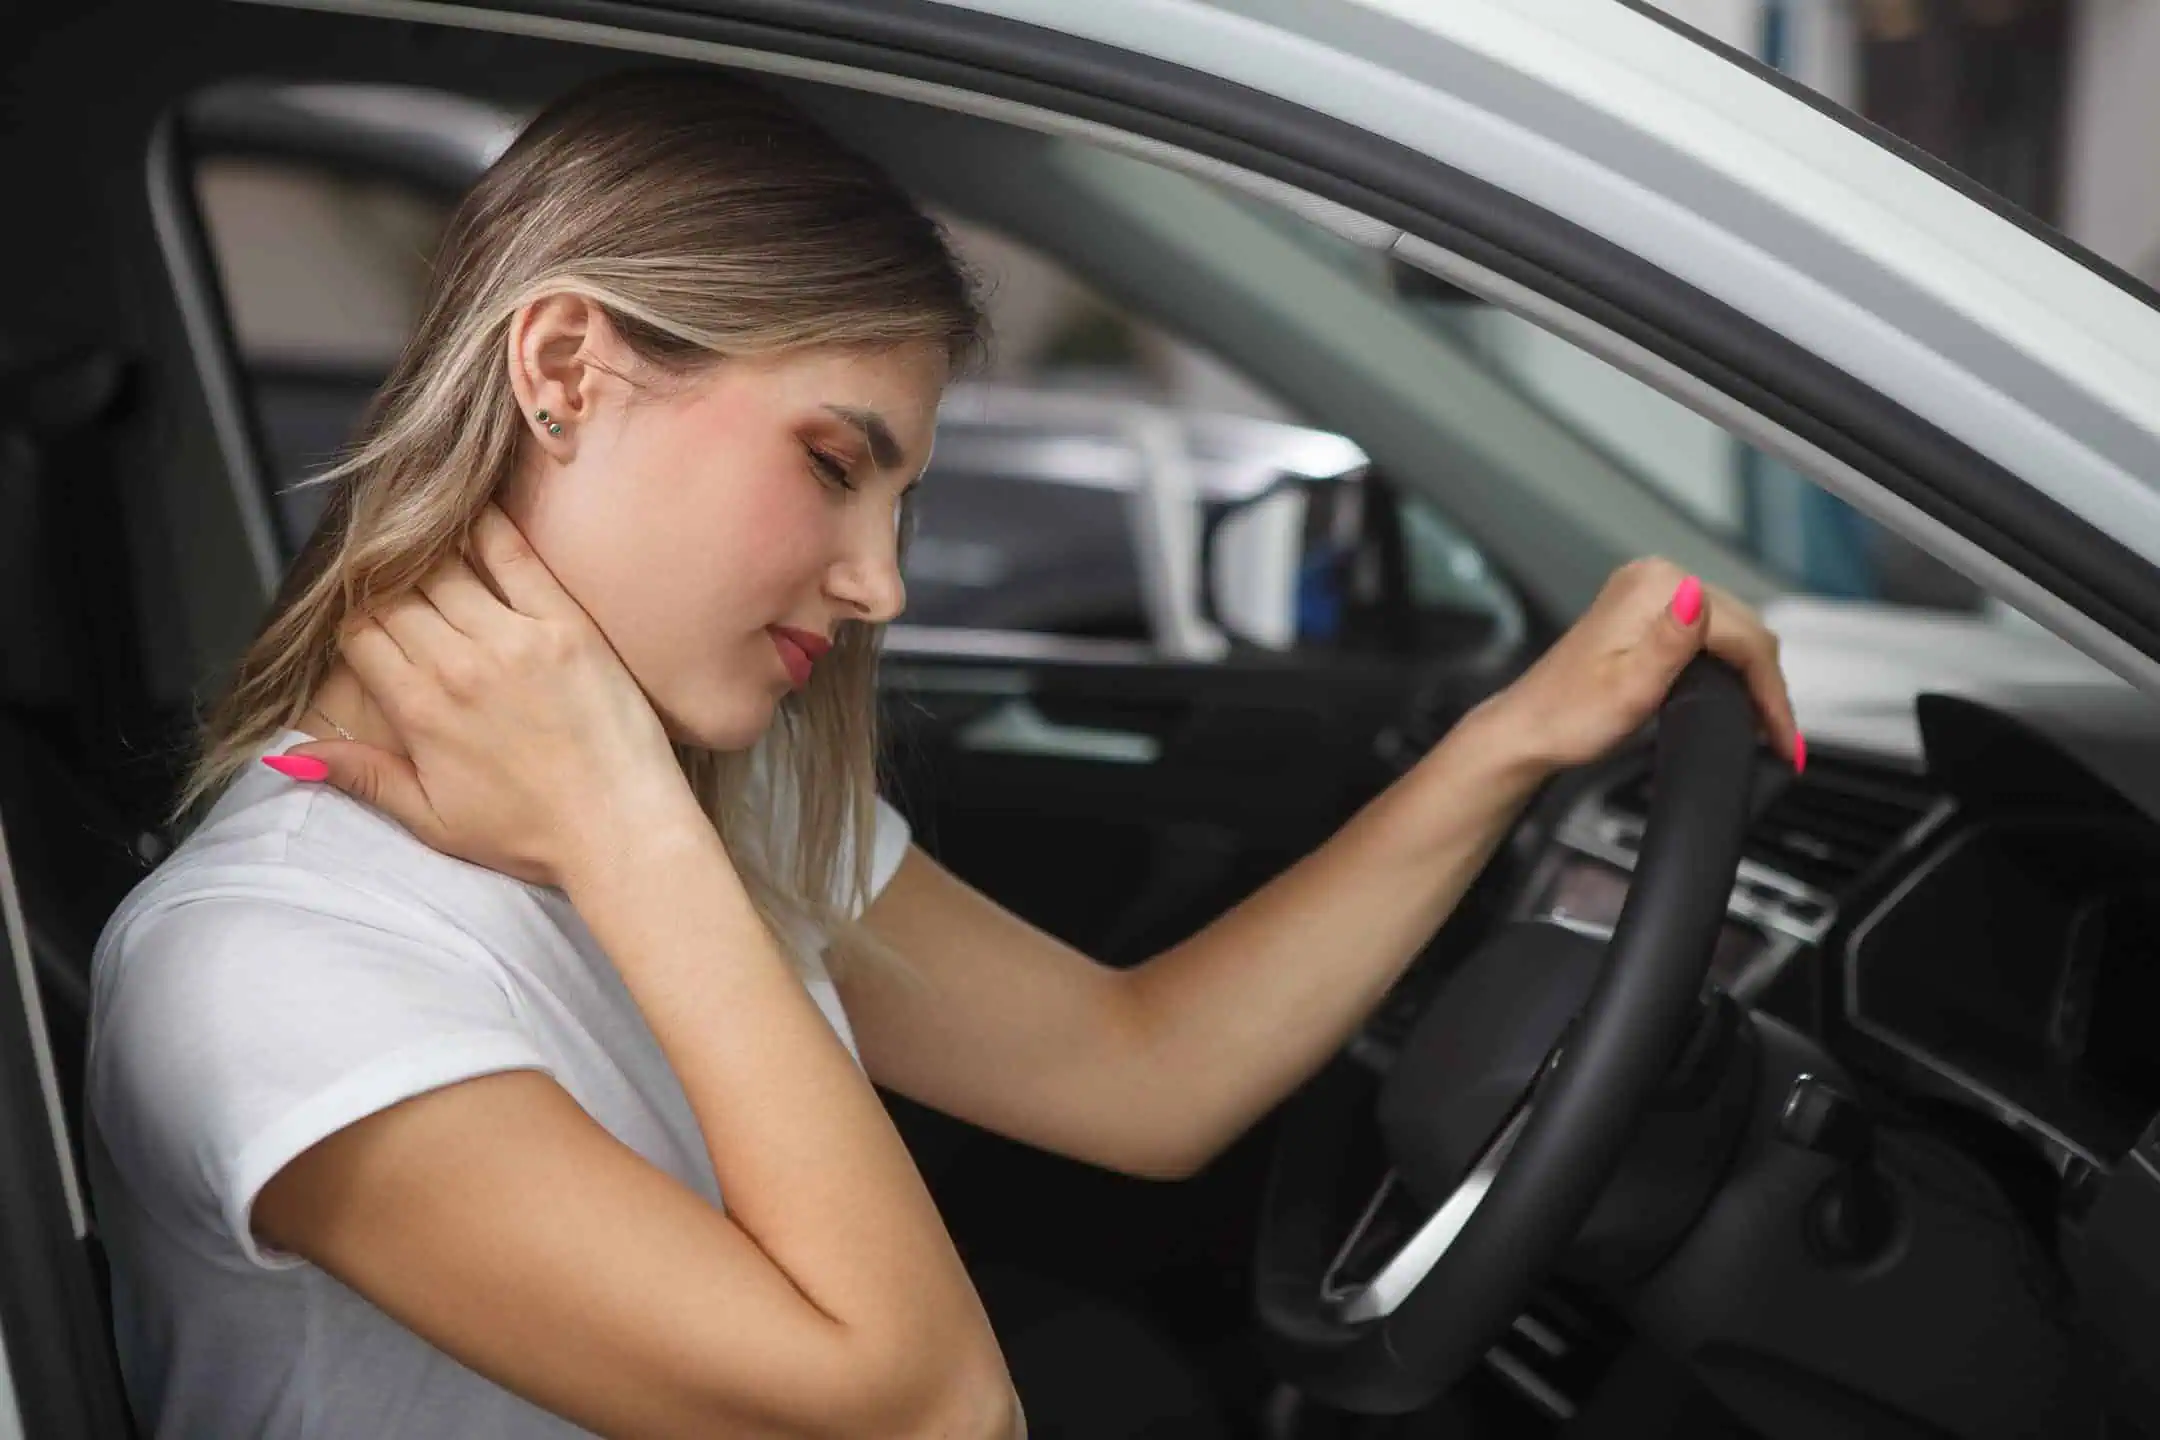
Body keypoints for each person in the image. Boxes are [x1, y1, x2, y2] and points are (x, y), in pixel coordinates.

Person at [84, 67, 1801, 1440]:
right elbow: (924, 1414)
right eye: (835, 465)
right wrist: (626, 832)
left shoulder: (707, 802)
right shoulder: (276, 971)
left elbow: (1144, 1073)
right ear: (563, 374)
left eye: (901, 502)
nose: (882, 581)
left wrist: (1517, 737)